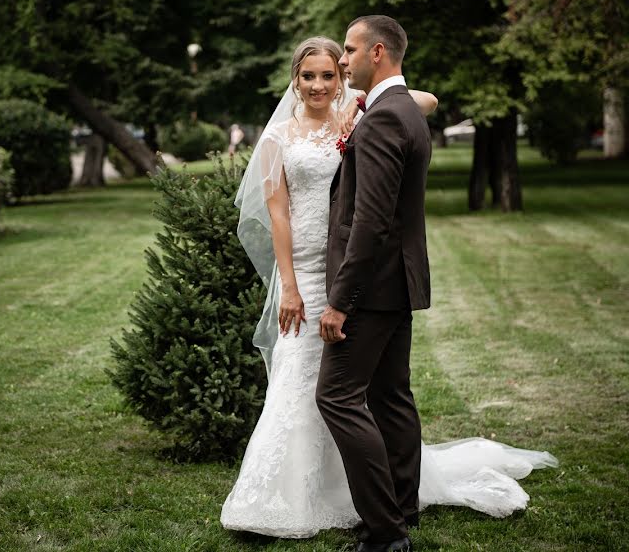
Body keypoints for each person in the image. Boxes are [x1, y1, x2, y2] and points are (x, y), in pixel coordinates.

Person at [220, 33, 557, 546]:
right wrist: (287, 285)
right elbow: (279, 214)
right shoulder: (277, 138)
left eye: (329, 74)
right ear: (294, 80)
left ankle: (370, 502)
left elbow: (422, 101)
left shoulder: (361, 115)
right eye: (307, 77)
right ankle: (291, 497)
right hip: (307, 272)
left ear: (342, 74)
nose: (317, 85)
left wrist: (357, 108)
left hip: (351, 266)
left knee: (347, 391)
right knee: (299, 379)